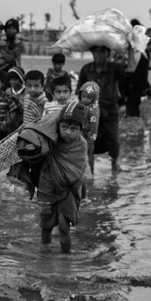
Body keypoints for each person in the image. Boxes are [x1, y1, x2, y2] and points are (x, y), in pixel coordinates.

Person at [36, 101, 88, 253]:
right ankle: (44, 255)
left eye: (74, 129)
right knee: (46, 226)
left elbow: (78, 169)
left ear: (80, 129)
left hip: (69, 188)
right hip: (48, 185)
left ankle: (66, 258)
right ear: (58, 126)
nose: (68, 132)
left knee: (64, 226)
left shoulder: (81, 144)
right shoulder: (50, 139)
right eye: (64, 127)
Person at [77, 45, 126, 172]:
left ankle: (115, 164)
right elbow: (79, 91)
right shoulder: (86, 69)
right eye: (96, 51)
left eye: (102, 51)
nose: (99, 55)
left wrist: (130, 50)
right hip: (91, 113)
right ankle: (90, 174)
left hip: (110, 112)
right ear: (92, 53)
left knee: (114, 142)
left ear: (108, 53)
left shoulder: (115, 68)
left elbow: (130, 73)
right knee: (90, 144)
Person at [124, 19, 151, 117]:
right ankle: (132, 115)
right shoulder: (143, 52)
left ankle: (132, 115)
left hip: (133, 81)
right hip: (136, 81)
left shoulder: (137, 51)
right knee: (133, 100)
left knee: (132, 100)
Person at [76, 81, 100, 176]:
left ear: (94, 98)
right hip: (81, 134)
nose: (85, 99)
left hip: (89, 137)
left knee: (89, 155)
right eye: (83, 96)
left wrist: (91, 138)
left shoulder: (93, 110)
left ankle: (91, 174)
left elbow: (94, 125)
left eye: (88, 97)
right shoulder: (82, 106)